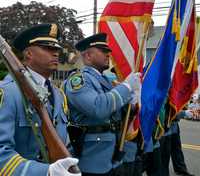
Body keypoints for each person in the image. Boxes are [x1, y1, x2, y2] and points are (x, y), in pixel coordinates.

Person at [0, 23, 81, 176]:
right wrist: (45, 171)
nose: (56, 53)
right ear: (28, 53)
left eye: (56, 49)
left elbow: (64, 143)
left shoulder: (59, 95)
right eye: (47, 48)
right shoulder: (7, 92)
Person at [63, 33, 141, 176]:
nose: (108, 54)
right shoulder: (79, 80)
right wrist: (126, 87)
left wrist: (132, 104)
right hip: (92, 156)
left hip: (111, 153)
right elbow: (98, 108)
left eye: (108, 51)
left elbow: (115, 112)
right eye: (103, 51)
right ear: (88, 56)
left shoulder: (104, 80)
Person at [160, 105, 194, 176]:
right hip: (165, 126)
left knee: (177, 149)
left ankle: (180, 169)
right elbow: (167, 111)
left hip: (173, 125)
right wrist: (183, 113)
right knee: (164, 154)